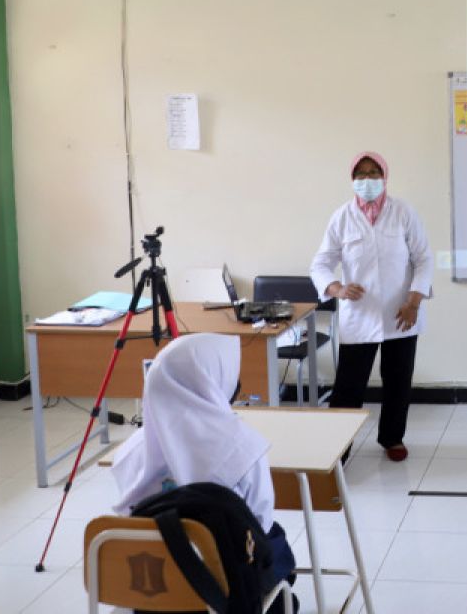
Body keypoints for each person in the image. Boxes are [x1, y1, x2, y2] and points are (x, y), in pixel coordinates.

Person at [111, 333, 296, 611]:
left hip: (152, 579)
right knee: (276, 540)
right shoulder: (242, 448)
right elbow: (260, 519)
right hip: (225, 580)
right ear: (215, 382)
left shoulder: (130, 451)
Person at [310, 151, 433, 462]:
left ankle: (392, 438)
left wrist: (414, 301)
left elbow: (423, 259)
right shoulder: (341, 217)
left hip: (401, 312)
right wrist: (336, 288)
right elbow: (321, 263)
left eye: (373, 173)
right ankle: (338, 448)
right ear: (352, 179)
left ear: (385, 176)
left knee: (397, 381)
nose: (367, 180)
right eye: (361, 174)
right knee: (349, 386)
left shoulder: (402, 211)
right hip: (359, 314)